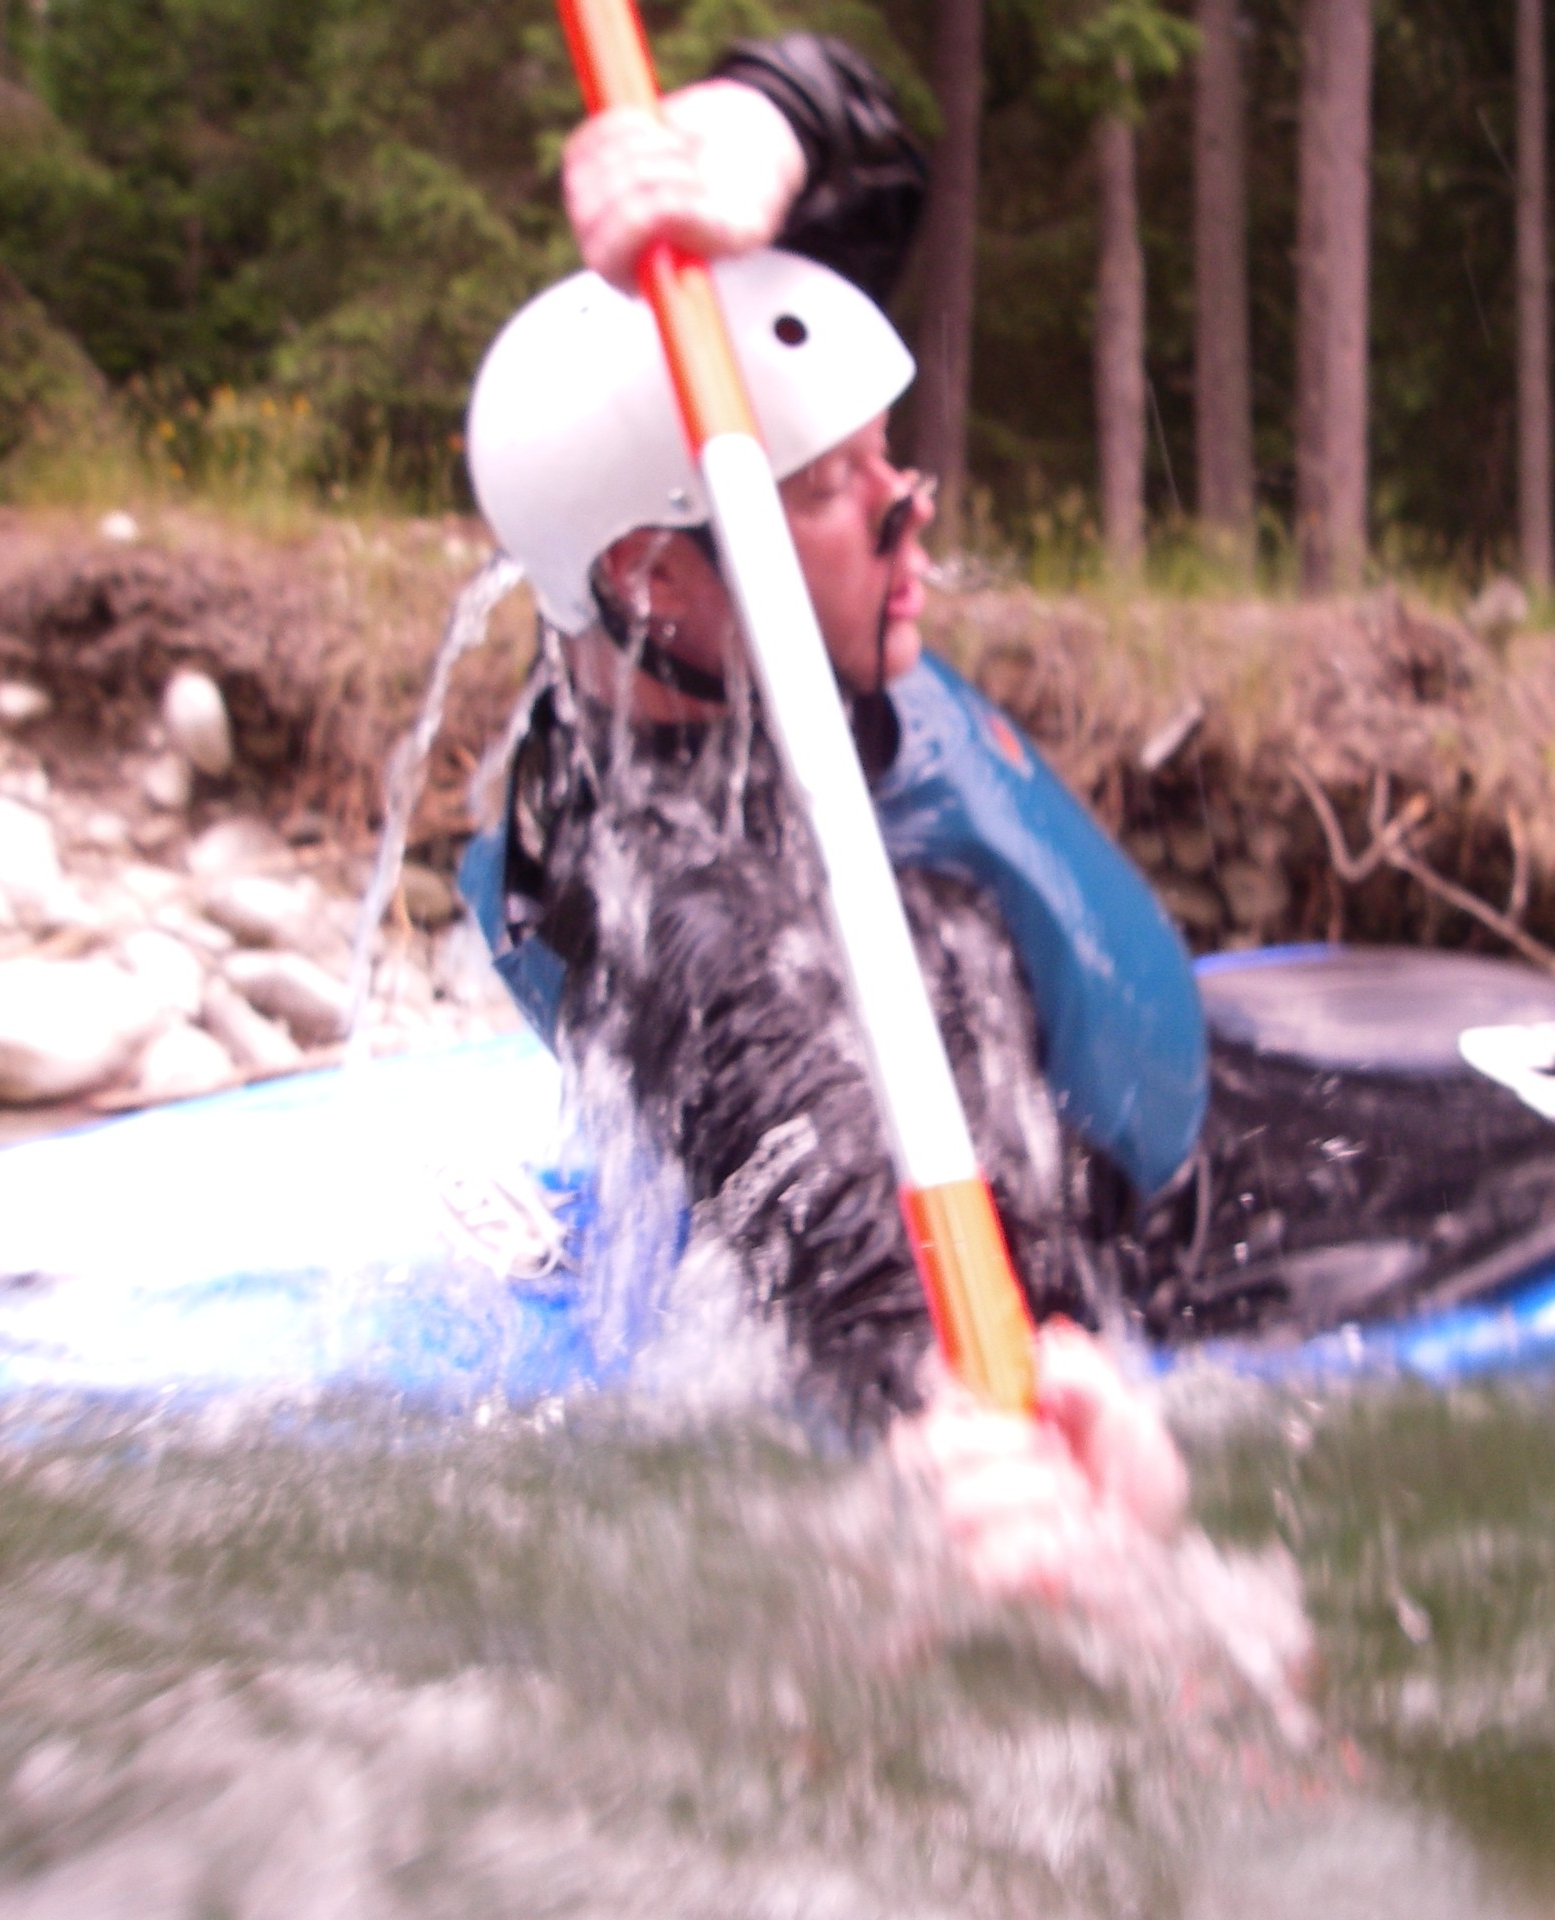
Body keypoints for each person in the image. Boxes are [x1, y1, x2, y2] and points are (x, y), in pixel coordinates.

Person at [464, 35, 1198, 1593]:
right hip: (1181, 1241)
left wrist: (768, 119)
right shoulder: (677, 902)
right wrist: (962, 1404)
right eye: (826, 486)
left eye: (887, 458)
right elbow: (817, 1163)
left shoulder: (685, 637)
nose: (908, 506)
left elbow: (867, 174)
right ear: (652, 579)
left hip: (1142, 1101)